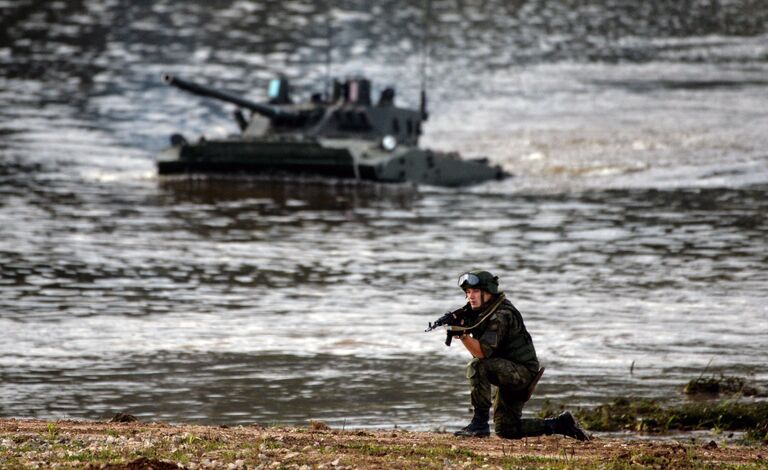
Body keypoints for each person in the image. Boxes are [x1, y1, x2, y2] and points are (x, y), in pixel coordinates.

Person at [450, 270, 589, 441]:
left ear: (488, 292)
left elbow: (481, 353)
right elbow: (480, 351)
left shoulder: (501, 315)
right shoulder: (482, 313)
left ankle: (479, 424)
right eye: (468, 292)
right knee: (506, 429)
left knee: (477, 366)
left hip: (521, 372)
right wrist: (463, 329)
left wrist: (463, 335)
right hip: (507, 370)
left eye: (475, 291)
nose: (470, 296)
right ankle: (560, 424)